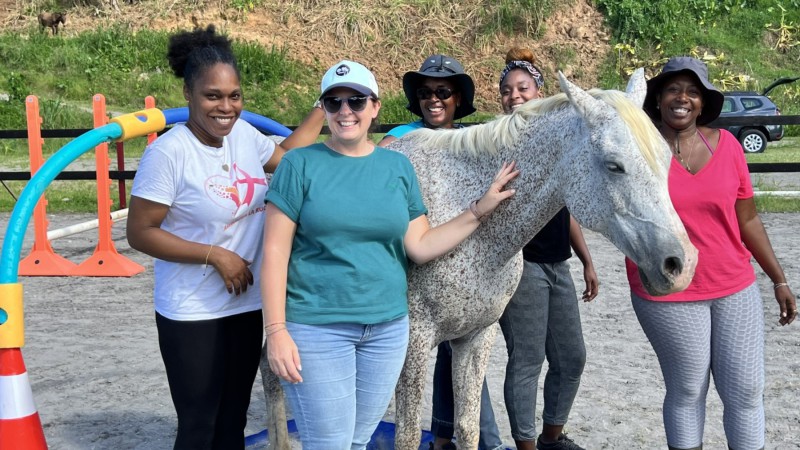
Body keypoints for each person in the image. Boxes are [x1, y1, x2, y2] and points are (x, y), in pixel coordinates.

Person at [261, 59, 519, 450]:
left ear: (375, 107)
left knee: (357, 441)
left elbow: (420, 245)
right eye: (333, 102)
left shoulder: (397, 166)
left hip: (386, 331)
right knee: (329, 443)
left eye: (356, 101)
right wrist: (277, 332)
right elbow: (274, 252)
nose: (345, 111)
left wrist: (479, 209)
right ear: (323, 108)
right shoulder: (299, 164)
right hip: (317, 327)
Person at [126, 26, 324, 449]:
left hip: (246, 305)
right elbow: (140, 233)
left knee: (233, 419)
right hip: (192, 311)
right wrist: (215, 255)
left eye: (234, 96)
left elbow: (288, 159)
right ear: (188, 93)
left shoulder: (243, 135)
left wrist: (326, 105)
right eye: (212, 96)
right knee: (199, 425)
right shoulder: (169, 153)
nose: (226, 106)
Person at [629, 56, 797, 450]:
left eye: (692, 91)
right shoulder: (639, 149)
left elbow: (748, 219)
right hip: (669, 289)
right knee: (688, 389)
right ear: (658, 98)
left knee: (746, 390)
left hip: (734, 284)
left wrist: (779, 279)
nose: (682, 98)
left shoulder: (729, 147)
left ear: (703, 102)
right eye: (673, 89)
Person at [378, 54, 504, 450]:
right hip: (419, 250)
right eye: (425, 92)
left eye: (443, 91)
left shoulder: (472, 141)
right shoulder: (402, 137)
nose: (433, 99)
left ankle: (458, 436)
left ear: (457, 98)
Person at [497, 47, 599, 450]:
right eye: (507, 90)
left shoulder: (555, 141)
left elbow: (564, 207)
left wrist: (587, 260)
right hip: (521, 265)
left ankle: (552, 438)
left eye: (522, 88)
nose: (514, 96)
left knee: (572, 357)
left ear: (539, 91)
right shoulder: (498, 142)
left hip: (559, 264)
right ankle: (525, 446)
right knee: (527, 359)